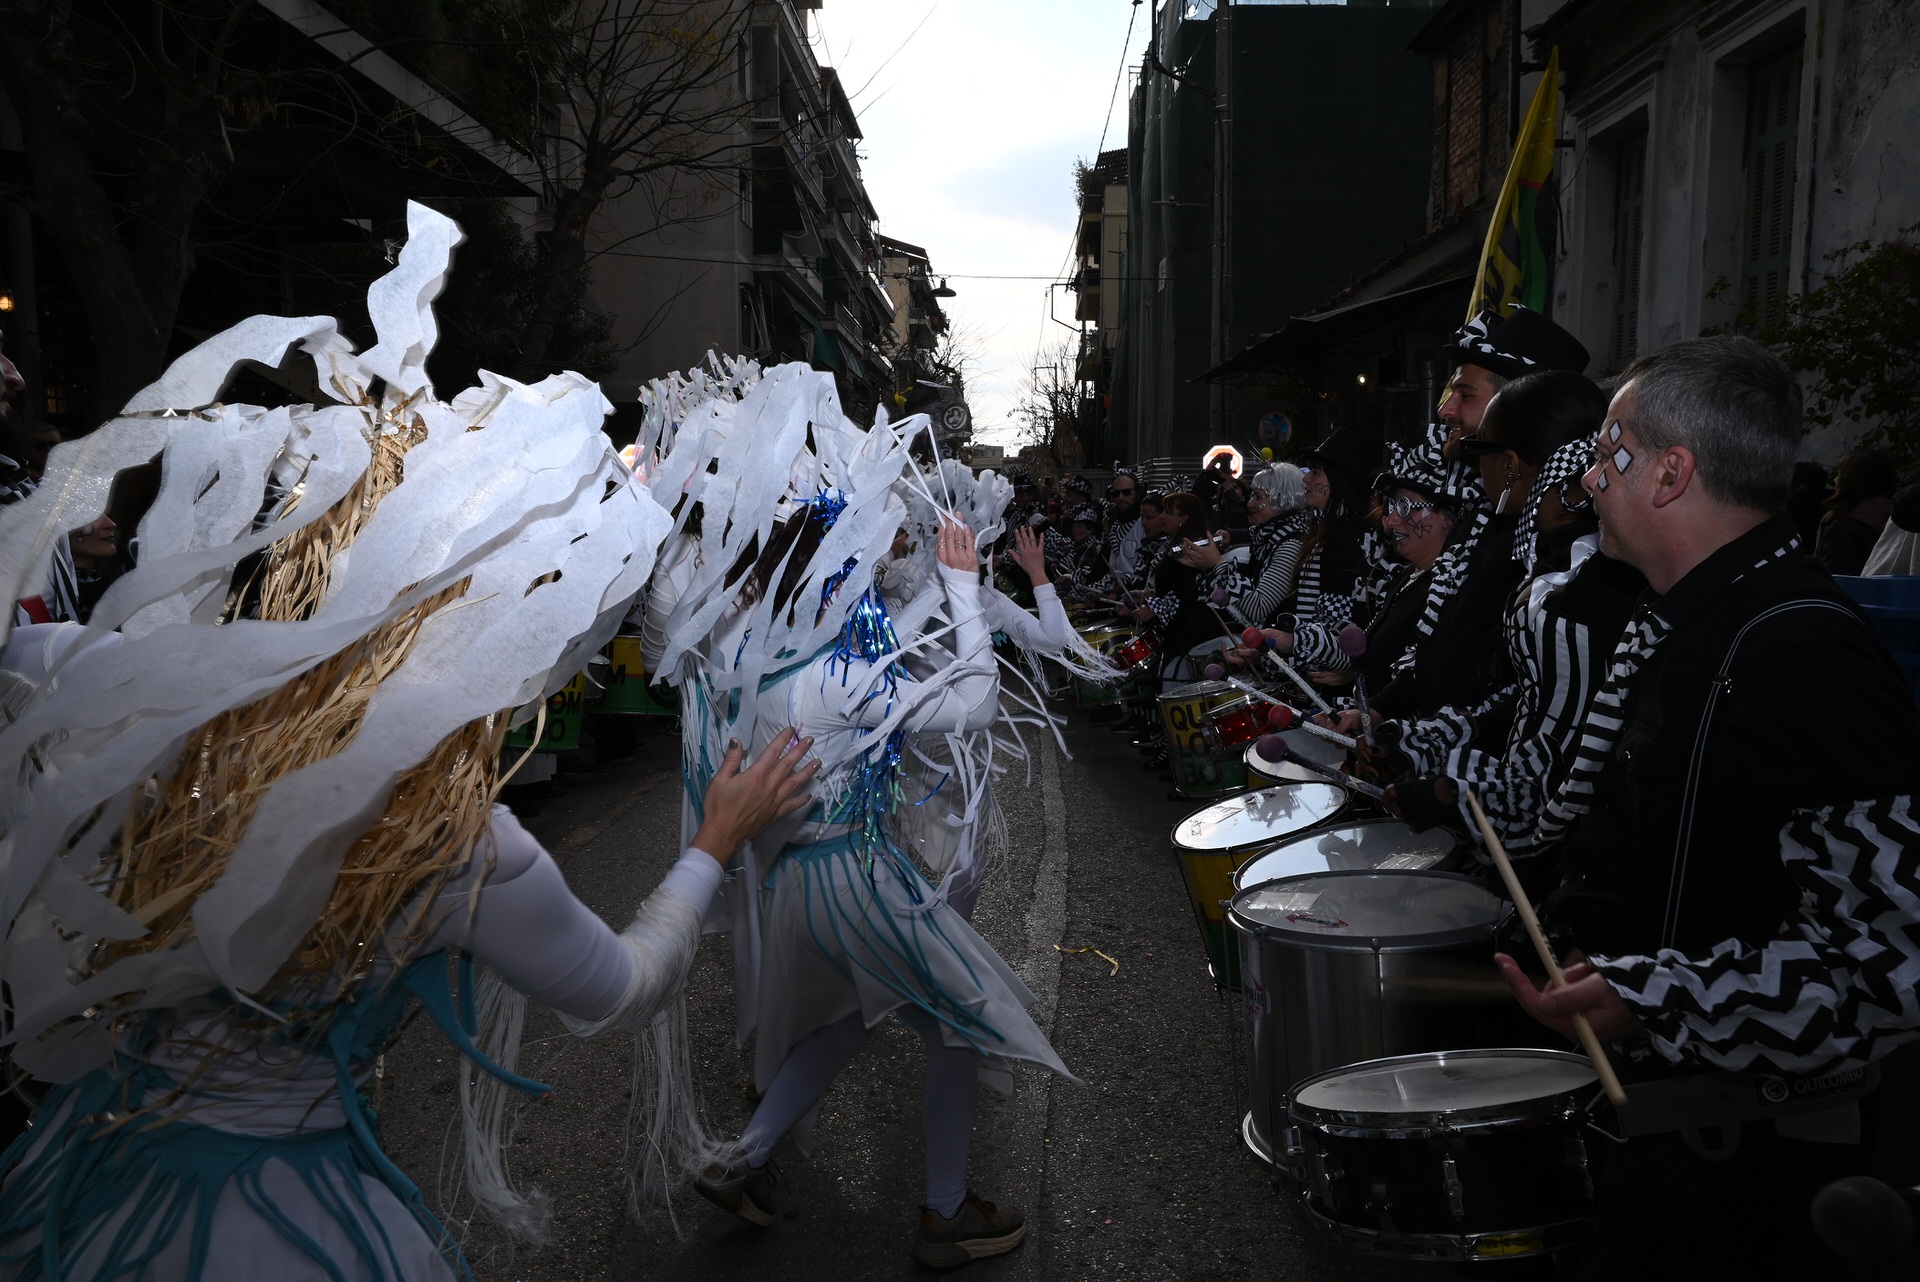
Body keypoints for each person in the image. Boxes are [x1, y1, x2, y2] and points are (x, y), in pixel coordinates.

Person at [0, 206, 824, 1282]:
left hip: (88, 1195)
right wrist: (716, 839)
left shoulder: (118, 701)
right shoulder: (442, 839)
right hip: (292, 1224)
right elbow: (618, 987)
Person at [1494, 336, 1920, 1279]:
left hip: (1745, 1167)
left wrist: (1656, 997)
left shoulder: (1800, 654)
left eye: (1610, 456)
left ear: (1672, 473)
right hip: (1671, 1136)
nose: (1592, 484)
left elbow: (1892, 966)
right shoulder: (1690, 617)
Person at [1363, 372, 1646, 867]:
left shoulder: (1578, 588)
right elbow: (1526, 695)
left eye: (1480, 456)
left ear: (1511, 467)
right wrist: (1421, 743)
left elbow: (1571, 747)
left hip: (1564, 858)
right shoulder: (1554, 560)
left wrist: (1456, 794)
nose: (1475, 471)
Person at [1181, 463, 1311, 630]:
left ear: (1282, 498)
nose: (1250, 504)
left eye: (1257, 496)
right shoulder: (1273, 536)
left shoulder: (1291, 545)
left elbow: (1258, 608)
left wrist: (1216, 564)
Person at [1814, 447, 1899, 577]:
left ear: (1850, 481)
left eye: (1841, 474)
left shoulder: (1842, 528)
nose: (1836, 480)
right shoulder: (1900, 521)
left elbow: (1833, 578)